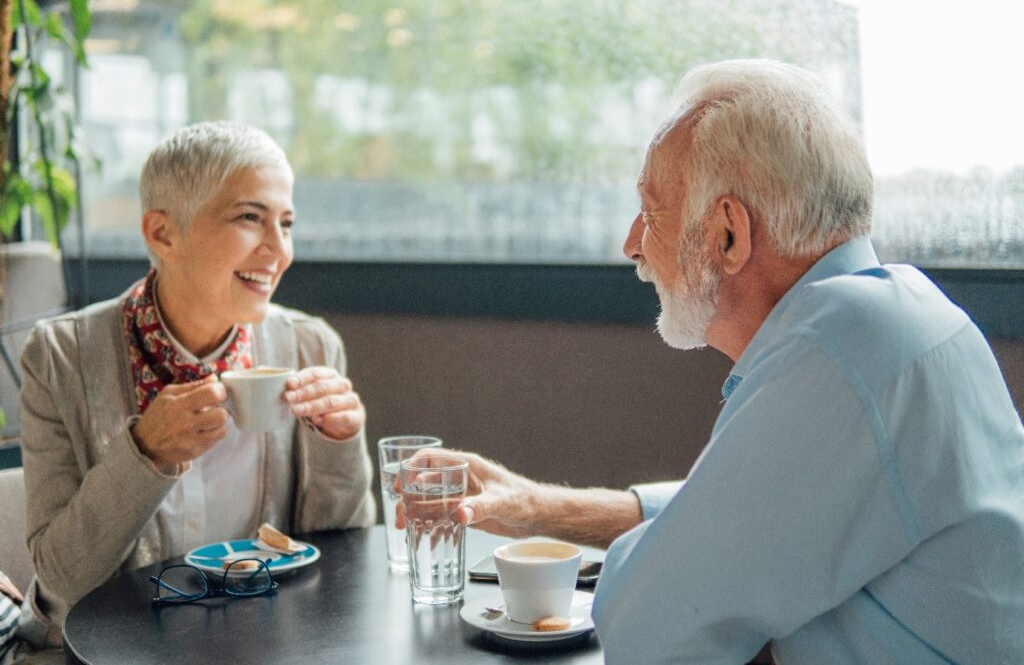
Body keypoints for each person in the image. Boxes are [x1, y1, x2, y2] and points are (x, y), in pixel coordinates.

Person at [410, 60, 1024, 662]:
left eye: (651, 213)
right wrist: (537, 507)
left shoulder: (837, 354)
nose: (631, 244)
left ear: (728, 233)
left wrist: (648, 561)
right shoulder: (896, 314)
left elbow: (649, 631)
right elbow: (743, 512)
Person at [17, 122, 375, 651]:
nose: (278, 250)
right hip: (108, 653)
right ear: (163, 233)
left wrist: (340, 446)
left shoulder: (311, 346)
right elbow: (62, 580)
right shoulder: (60, 357)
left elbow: (343, 562)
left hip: (265, 646)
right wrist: (144, 456)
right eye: (250, 218)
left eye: (287, 223)